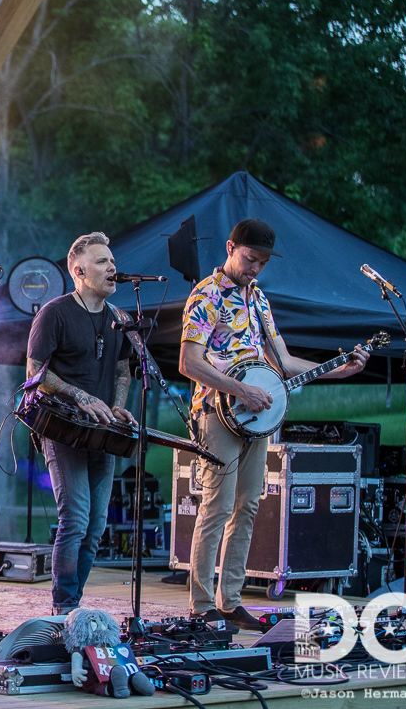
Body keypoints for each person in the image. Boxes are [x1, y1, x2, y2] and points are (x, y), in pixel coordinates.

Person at [179, 219, 369, 630]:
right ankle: (200, 605)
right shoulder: (206, 296)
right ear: (231, 248)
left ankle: (229, 600)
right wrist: (240, 389)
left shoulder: (259, 299)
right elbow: (189, 363)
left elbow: (282, 361)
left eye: (263, 263)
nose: (256, 269)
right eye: (250, 259)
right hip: (217, 412)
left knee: (247, 506)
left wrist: (338, 370)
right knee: (217, 506)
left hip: (257, 417)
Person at [26, 232, 136, 615]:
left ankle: (75, 601)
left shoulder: (120, 319)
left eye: (112, 261)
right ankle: (64, 606)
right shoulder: (55, 312)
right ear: (79, 270)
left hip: (103, 434)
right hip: (62, 429)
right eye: (103, 262)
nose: (112, 267)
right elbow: (35, 373)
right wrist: (81, 396)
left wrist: (117, 407)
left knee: (96, 528)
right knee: (75, 518)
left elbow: (123, 368)